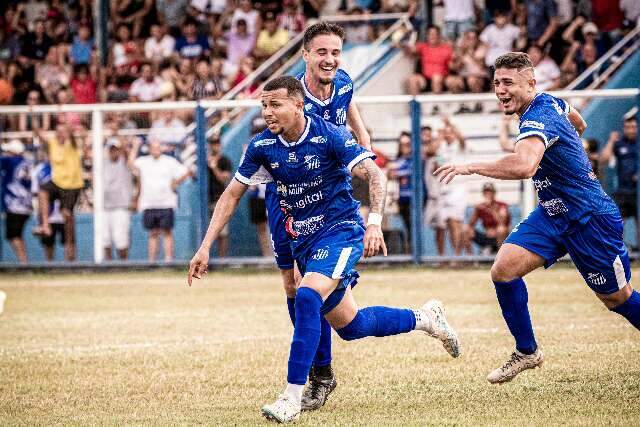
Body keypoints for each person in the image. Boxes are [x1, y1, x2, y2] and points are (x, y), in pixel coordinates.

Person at [188, 76, 461, 423]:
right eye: (263, 106)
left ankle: (292, 396)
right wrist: (205, 247)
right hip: (303, 240)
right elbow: (231, 195)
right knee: (352, 326)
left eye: (275, 105)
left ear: (298, 104)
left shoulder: (330, 136)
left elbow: (374, 175)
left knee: (305, 295)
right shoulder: (261, 147)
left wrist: (374, 221)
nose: (267, 113)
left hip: (341, 232)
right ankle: (425, 318)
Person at [434, 52, 639, 385]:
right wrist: (571, 147)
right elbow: (579, 122)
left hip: (589, 218)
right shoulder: (550, 102)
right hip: (552, 213)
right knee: (503, 270)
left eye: (508, 83)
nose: (500, 90)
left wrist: (471, 166)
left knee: (618, 299)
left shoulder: (536, 119)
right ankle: (527, 352)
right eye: (497, 82)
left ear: (531, 82)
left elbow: (524, 166)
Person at [263, 22, 372, 412]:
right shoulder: (291, 96)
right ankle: (321, 372)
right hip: (288, 197)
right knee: (293, 287)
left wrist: (363, 154)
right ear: (305, 55)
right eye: (321, 52)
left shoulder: (342, 82)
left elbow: (357, 127)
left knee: (311, 289)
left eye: (335, 52)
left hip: (329, 199)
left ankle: (316, 378)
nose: (329, 59)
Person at [128, 138, 191, 262]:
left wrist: (175, 183)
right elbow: (130, 164)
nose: (156, 150)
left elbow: (186, 172)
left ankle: (169, 260)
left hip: (166, 202)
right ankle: (152, 261)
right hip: (149, 203)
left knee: (167, 232)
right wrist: (135, 147)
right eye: (153, 147)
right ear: (150, 149)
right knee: (152, 233)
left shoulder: (170, 162)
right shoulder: (144, 162)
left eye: (158, 147)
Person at [36, 124, 83, 261]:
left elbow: (74, 137)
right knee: (43, 191)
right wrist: (33, 112)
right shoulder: (53, 143)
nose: (60, 134)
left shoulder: (73, 144)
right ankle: (45, 225)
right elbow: (39, 133)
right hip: (57, 182)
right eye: (58, 131)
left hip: (72, 186)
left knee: (67, 216)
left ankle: (70, 250)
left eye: (63, 131)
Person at [599, 116, 639, 248]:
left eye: (634, 127)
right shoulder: (619, 143)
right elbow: (603, 160)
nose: (631, 130)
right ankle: (617, 254)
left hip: (637, 192)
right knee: (616, 224)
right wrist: (611, 141)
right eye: (628, 127)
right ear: (624, 129)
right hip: (623, 192)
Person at [0, 140, 32, 264]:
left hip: (15, 205)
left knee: (13, 235)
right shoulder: (27, 162)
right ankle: (24, 262)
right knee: (18, 235)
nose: (5, 153)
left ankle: (24, 262)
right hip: (26, 204)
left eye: (8, 151)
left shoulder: (10, 161)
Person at [104, 138, 133, 260]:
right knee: (105, 240)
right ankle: (108, 267)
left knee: (121, 240)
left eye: (116, 149)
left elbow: (126, 154)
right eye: (111, 150)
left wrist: (118, 135)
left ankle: (123, 265)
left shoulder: (124, 162)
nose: (113, 152)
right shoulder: (103, 164)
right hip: (105, 207)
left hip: (121, 207)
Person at [463, 182, 510, 254]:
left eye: (490, 192)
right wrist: (476, 211)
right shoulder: (481, 207)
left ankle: (500, 256)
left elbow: (503, 223)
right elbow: (471, 225)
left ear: (494, 193)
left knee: (501, 229)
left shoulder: (502, 205)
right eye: (486, 192)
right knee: (466, 229)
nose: (488, 194)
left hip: (500, 237)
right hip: (486, 236)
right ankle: (470, 258)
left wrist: (492, 209)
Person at [207, 136, 232, 257]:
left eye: (216, 143)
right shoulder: (204, 160)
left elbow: (224, 179)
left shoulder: (224, 161)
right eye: (212, 144)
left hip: (220, 199)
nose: (214, 146)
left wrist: (214, 167)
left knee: (222, 232)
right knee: (208, 233)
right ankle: (208, 261)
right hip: (207, 200)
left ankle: (222, 260)